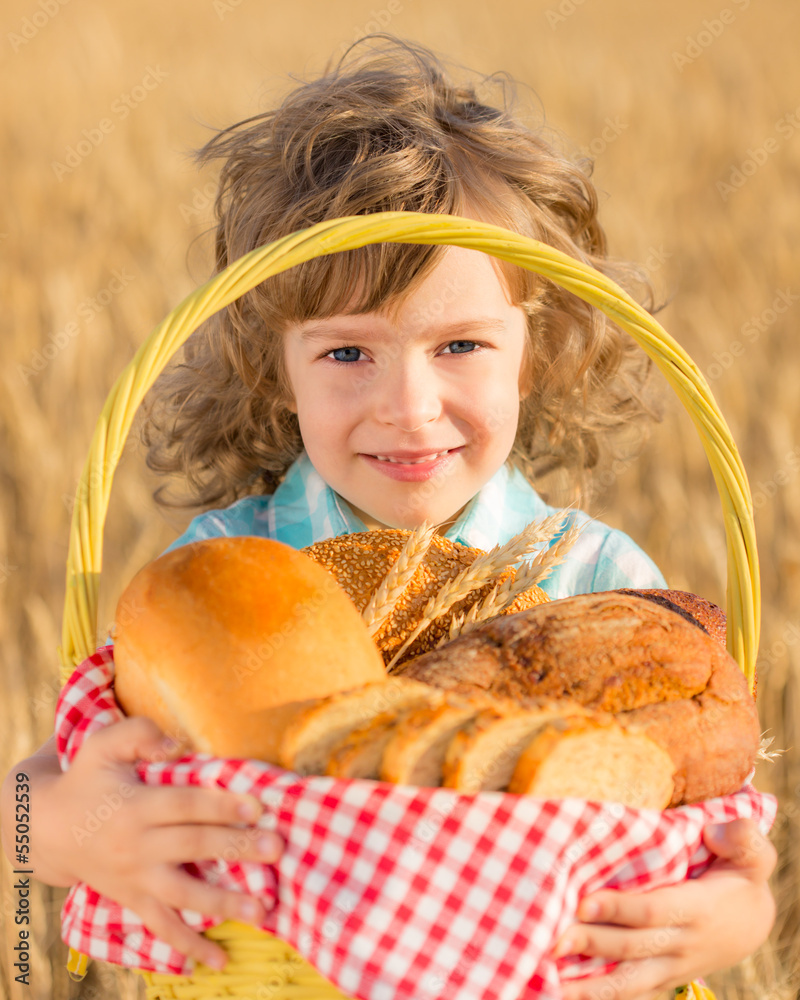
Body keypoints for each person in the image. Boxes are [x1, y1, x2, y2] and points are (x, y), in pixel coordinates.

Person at [0, 36, 775, 1000]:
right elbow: (21, 805)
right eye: (346, 355)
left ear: (533, 353)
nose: (408, 407)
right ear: (272, 363)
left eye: (459, 344)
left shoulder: (600, 585)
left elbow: (719, 825)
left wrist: (738, 913)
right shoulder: (222, 574)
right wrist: (80, 835)